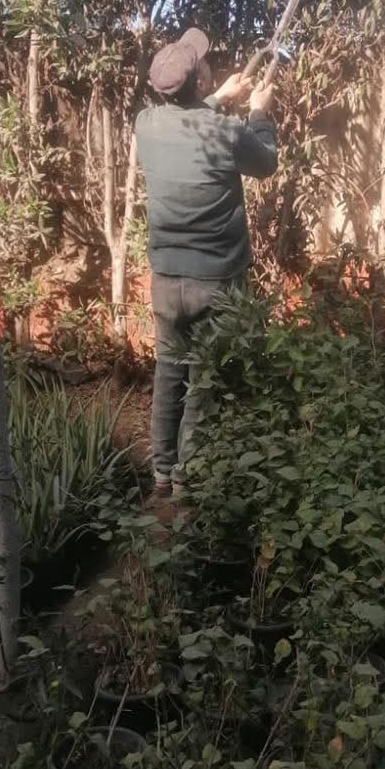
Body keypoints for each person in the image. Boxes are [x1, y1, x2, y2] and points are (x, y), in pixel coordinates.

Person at [134, 27, 278, 494]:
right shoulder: (228, 132)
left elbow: (189, 122)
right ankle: (187, 479)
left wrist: (218, 97)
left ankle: (161, 471)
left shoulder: (146, 124)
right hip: (215, 281)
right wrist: (259, 112)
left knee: (168, 370)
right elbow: (266, 163)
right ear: (197, 81)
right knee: (203, 379)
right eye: (203, 66)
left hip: (165, 279)